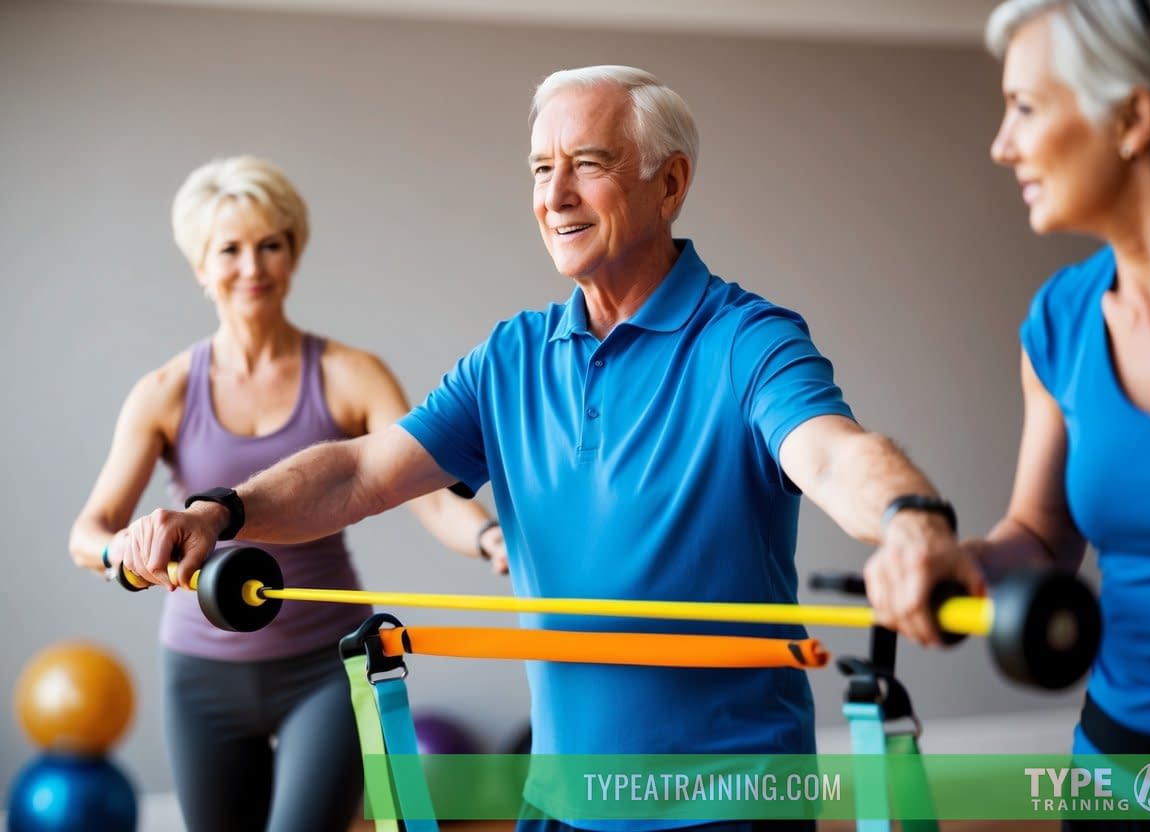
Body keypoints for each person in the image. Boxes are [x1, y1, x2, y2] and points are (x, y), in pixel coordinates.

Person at [115, 69, 975, 832]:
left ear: (668, 183)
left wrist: (910, 524)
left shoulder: (748, 341)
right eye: (539, 169)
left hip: (729, 801)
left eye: (588, 164)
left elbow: (830, 455)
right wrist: (220, 512)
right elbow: (356, 473)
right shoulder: (510, 358)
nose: (554, 195)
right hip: (562, 800)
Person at [68, 155, 508, 832]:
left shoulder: (349, 375)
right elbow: (87, 532)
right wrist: (121, 553)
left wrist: (485, 536)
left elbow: (429, 493)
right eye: (231, 249)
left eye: (270, 245)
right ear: (199, 267)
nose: (253, 267)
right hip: (201, 674)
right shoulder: (166, 392)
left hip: (325, 668)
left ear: (293, 254)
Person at [957, 1, 1150, 828]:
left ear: (1133, 116)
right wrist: (954, 565)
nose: (1002, 144)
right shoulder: (1059, 322)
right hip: (1113, 769)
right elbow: (1040, 534)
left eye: (1025, 107)